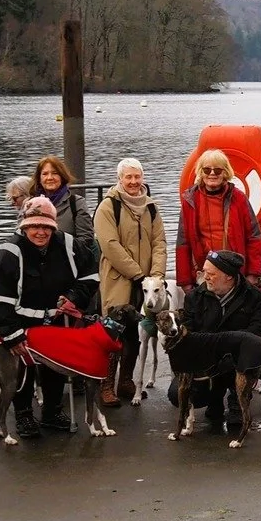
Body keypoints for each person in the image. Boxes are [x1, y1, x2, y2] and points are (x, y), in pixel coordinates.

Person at [0, 197, 98, 439]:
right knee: (21, 370)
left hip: (55, 319)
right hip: (18, 323)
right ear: (24, 226)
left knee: (56, 365)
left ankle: (52, 411)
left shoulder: (69, 245)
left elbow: (91, 275)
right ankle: (23, 414)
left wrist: (74, 296)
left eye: (46, 226)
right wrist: (12, 335)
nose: (40, 232)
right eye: (34, 226)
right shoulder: (7, 254)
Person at [93, 157, 167, 405]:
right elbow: (110, 245)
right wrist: (137, 273)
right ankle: (106, 384)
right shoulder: (107, 207)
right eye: (129, 177)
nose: (133, 182)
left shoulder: (151, 207)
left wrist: (155, 275)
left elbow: (159, 243)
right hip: (118, 279)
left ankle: (125, 381)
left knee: (137, 331)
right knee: (112, 332)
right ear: (120, 179)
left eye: (137, 177)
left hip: (147, 284)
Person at [179, 248, 261, 429]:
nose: (205, 277)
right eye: (204, 272)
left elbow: (260, 330)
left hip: (237, 359)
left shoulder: (255, 297)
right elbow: (187, 332)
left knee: (247, 357)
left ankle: (238, 400)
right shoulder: (194, 298)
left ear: (228, 276)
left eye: (211, 274)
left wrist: (232, 347)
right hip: (207, 358)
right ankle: (214, 399)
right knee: (176, 393)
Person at [176, 148, 261, 291]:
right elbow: (183, 243)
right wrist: (185, 281)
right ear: (200, 172)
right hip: (203, 273)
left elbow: (253, 237)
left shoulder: (239, 198)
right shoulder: (190, 201)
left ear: (225, 173)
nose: (212, 174)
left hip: (234, 273)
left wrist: (253, 274)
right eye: (206, 170)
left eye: (217, 170)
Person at [32, 154, 95, 259]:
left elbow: (86, 240)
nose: (50, 178)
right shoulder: (29, 204)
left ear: (62, 176)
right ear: (39, 178)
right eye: (45, 174)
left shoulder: (77, 203)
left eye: (55, 173)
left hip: (69, 261)